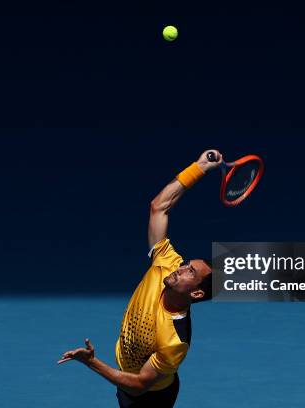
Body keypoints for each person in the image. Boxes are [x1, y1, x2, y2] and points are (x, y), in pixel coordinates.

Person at [58, 150, 222, 407]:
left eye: (190, 272)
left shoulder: (175, 340)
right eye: (187, 264)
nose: (181, 268)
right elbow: (159, 207)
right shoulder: (167, 263)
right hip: (127, 377)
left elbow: (138, 386)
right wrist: (199, 167)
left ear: (197, 293)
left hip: (148, 398)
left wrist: (92, 363)